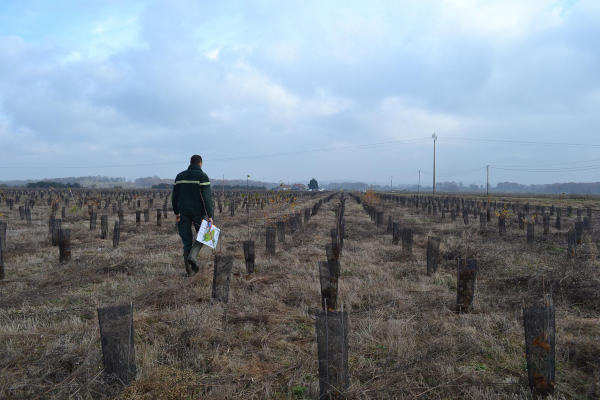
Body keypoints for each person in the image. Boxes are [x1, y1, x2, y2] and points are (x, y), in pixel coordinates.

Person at [172, 155, 214, 276]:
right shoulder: (202, 176)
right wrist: (209, 215)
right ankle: (193, 255)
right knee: (207, 235)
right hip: (198, 212)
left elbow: (174, 196)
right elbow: (207, 197)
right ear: (200, 163)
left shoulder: (179, 176)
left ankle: (189, 274)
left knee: (187, 242)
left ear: (190, 163)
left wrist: (176, 212)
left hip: (183, 212)